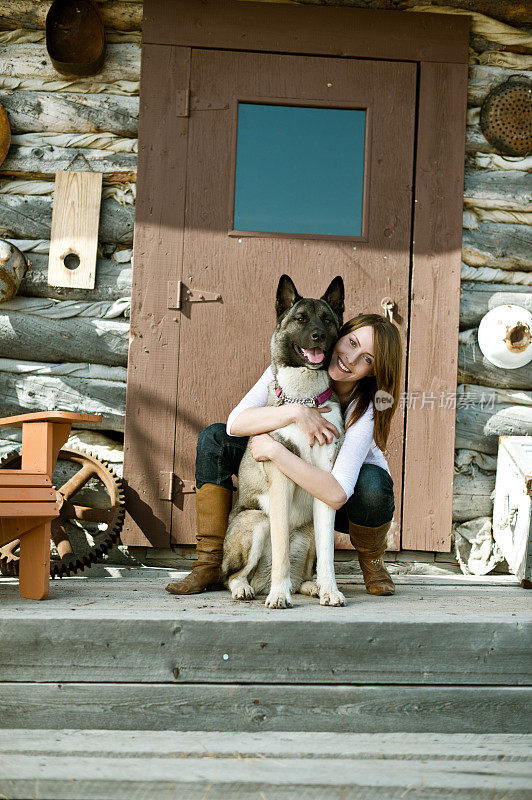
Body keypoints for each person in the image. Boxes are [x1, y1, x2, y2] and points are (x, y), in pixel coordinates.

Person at [166, 313, 402, 597]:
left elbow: (337, 493)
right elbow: (236, 423)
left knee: (374, 484)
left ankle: (373, 562)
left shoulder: (365, 410)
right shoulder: (297, 361)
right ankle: (209, 562)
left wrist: (275, 452)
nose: (351, 358)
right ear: (337, 334)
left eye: (367, 359)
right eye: (351, 342)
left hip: (346, 501)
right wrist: (295, 411)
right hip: (292, 487)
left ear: (373, 371)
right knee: (216, 438)